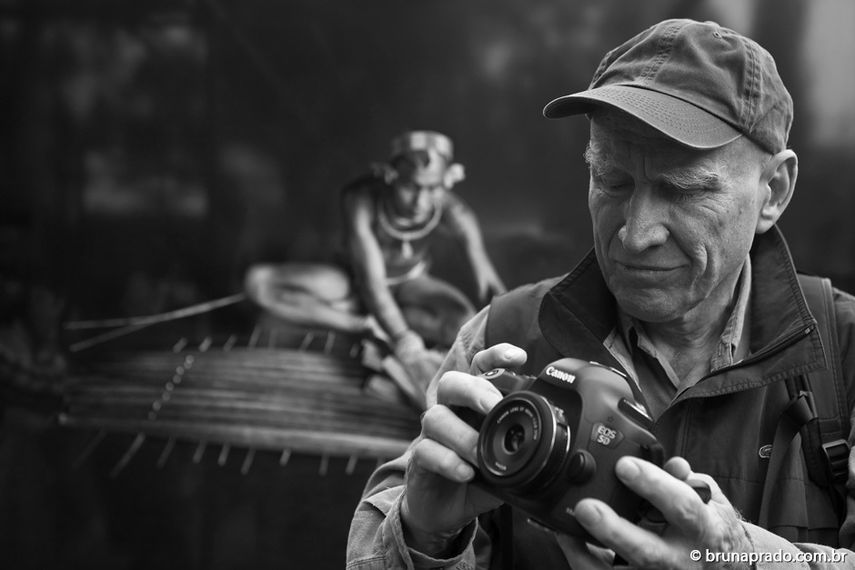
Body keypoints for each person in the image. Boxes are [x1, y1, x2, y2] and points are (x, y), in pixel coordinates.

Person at [346, 18, 855, 569]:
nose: (635, 235)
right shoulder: (502, 339)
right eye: (611, 181)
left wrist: (740, 559)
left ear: (773, 191)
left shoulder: (845, 356)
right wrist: (424, 538)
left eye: (683, 190)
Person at [244, 131, 506, 394]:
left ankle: (382, 327)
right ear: (391, 177)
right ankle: (361, 325)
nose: (420, 201)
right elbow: (371, 283)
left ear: (447, 181)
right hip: (351, 284)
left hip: (410, 285)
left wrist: (505, 328)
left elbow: (489, 282)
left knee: (463, 320)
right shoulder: (360, 199)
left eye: (432, 188)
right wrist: (405, 343)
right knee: (258, 283)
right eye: (411, 187)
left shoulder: (454, 211)